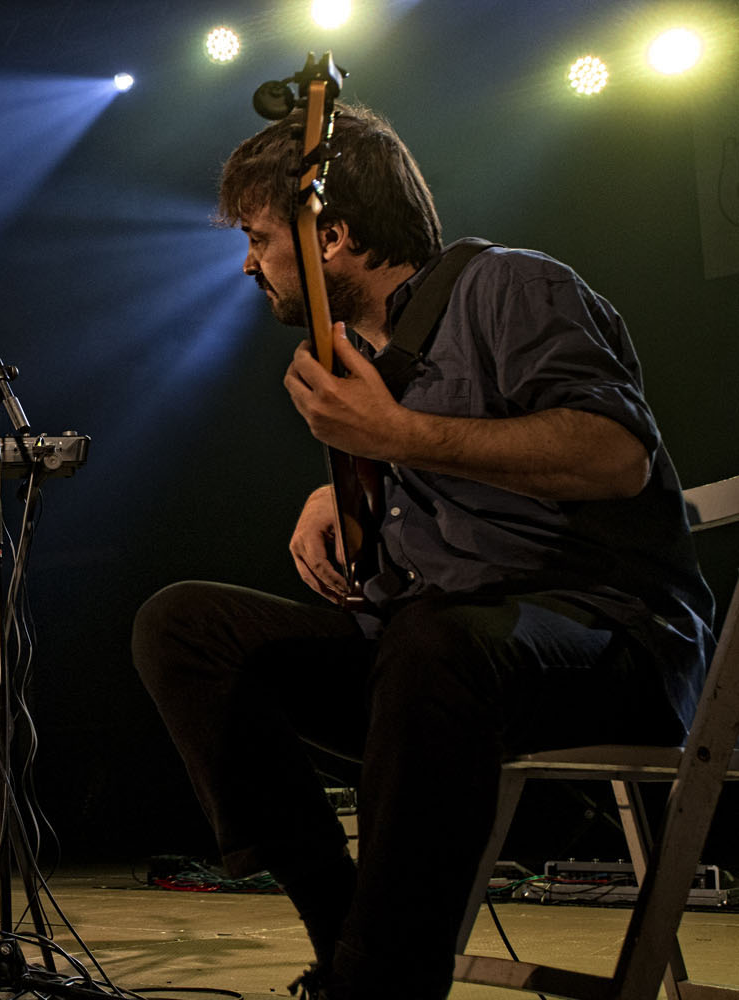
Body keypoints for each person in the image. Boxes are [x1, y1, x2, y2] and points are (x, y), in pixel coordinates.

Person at [130, 105, 713, 1000]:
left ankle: (383, 982)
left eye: (258, 238)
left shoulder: (510, 285)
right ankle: (348, 940)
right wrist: (347, 487)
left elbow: (615, 456)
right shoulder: (355, 352)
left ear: (332, 237)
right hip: (432, 659)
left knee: (435, 640)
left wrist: (397, 436)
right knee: (185, 626)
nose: (248, 263)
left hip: (605, 642)